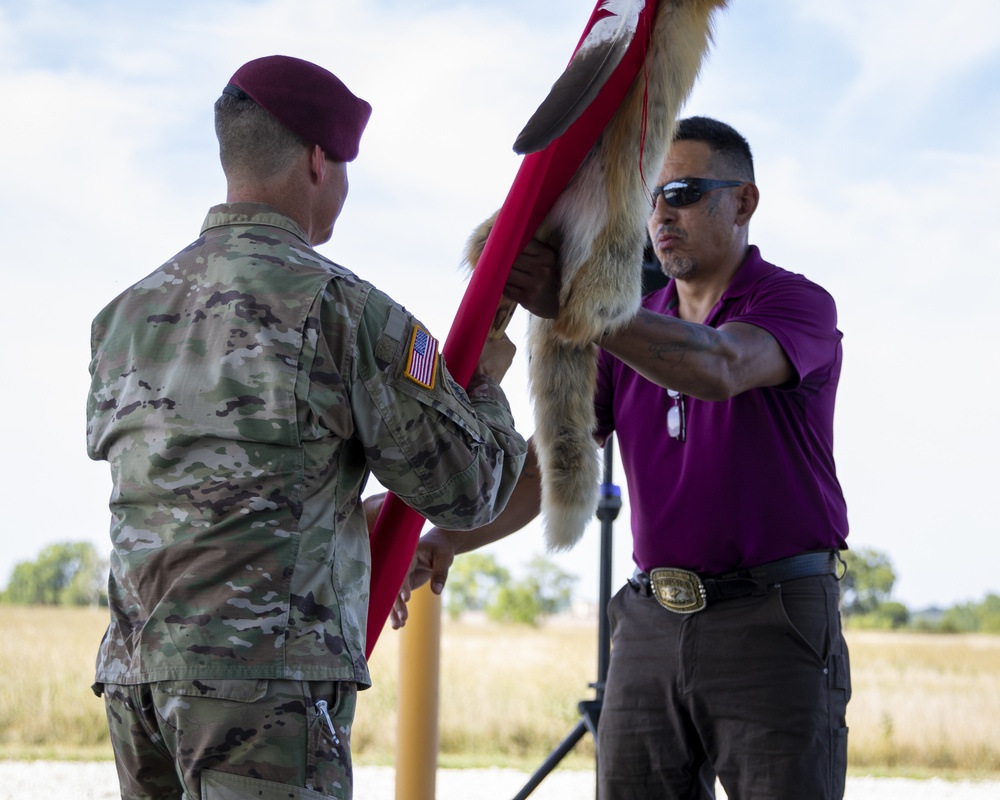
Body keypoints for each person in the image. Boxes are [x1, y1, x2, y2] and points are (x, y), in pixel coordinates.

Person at [86, 54, 529, 800]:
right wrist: (483, 384)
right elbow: (469, 489)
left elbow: (208, 501)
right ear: (320, 161)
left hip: (138, 683)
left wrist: (348, 542)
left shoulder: (124, 316)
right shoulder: (341, 309)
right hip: (264, 693)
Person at [398, 116, 851, 799]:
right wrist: (448, 540)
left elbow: (720, 367)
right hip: (650, 622)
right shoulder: (631, 324)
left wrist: (584, 311)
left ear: (743, 202)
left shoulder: (793, 303)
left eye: (687, 191)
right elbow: (555, 461)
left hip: (771, 617)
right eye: (652, 196)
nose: (662, 212)